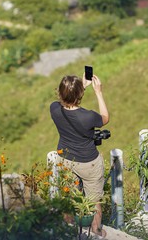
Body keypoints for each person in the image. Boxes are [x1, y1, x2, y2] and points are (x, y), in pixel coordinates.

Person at [50, 74, 109, 238]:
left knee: (69, 195)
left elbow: (65, 101)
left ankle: (68, 226)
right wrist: (98, 92)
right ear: (80, 95)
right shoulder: (88, 116)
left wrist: (79, 87)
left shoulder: (54, 109)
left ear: (60, 93)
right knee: (93, 199)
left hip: (65, 158)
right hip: (88, 162)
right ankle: (96, 231)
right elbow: (105, 118)